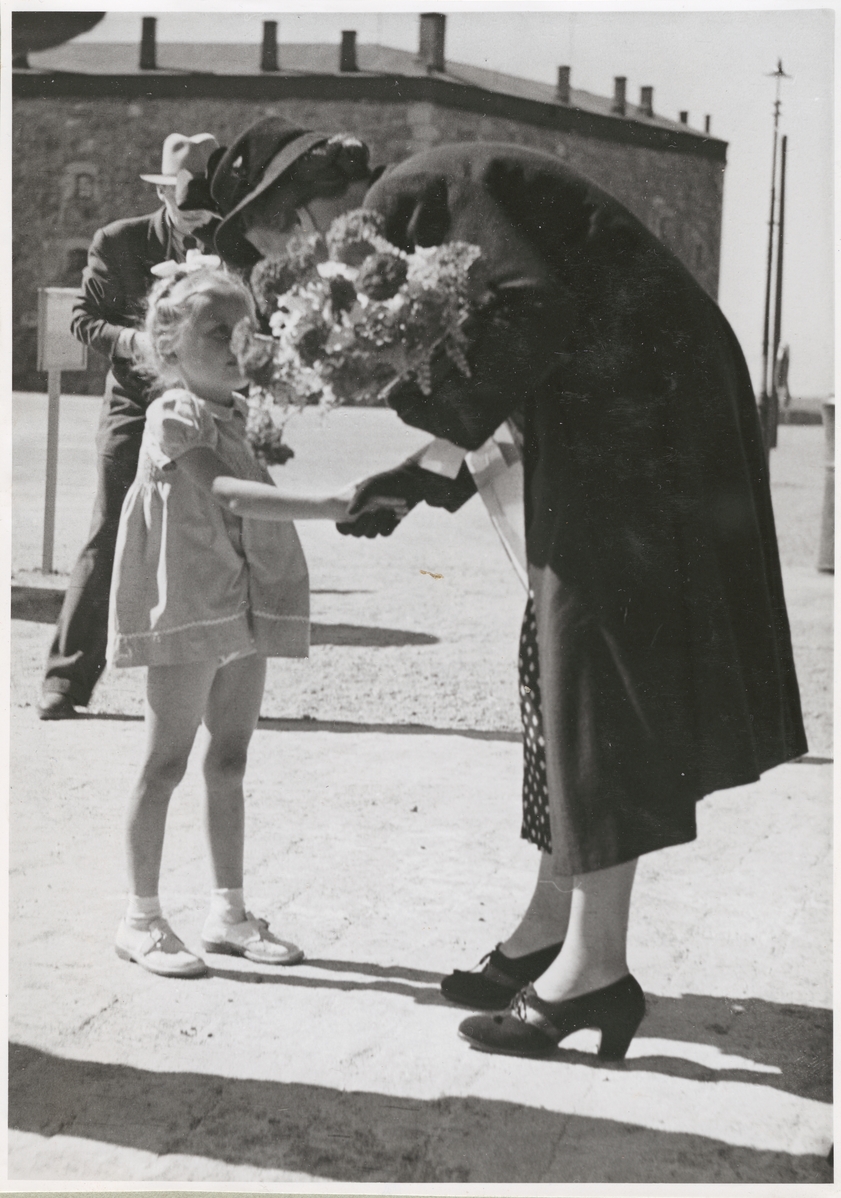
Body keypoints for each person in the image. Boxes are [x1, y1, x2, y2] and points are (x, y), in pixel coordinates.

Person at [210, 120, 806, 1057]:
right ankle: (549, 932)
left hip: (641, 419)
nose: (298, 262)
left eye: (280, 238)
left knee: (591, 672)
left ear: (309, 201)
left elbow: (534, 316)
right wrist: (423, 470)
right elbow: (528, 346)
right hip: (624, 410)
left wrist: (425, 424)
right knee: (556, 662)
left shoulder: (409, 198)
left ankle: (594, 971)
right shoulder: (418, 204)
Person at [109, 254, 405, 978]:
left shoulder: (238, 411)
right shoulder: (172, 412)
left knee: (230, 758)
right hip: (189, 603)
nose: (238, 344)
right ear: (169, 342)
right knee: (166, 760)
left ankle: (227, 912)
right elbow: (229, 495)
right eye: (217, 329)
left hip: (240, 602)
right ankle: (140, 918)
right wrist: (330, 505)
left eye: (246, 330)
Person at [38, 132, 222, 720]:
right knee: (108, 528)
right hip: (133, 403)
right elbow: (85, 319)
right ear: (166, 194)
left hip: (208, 405)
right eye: (188, 209)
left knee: (214, 533)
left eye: (206, 212)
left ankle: (213, 688)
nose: (197, 222)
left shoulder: (229, 243)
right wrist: (134, 340)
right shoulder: (117, 241)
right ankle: (64, 681)